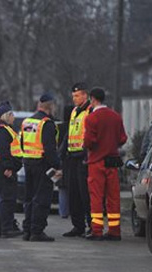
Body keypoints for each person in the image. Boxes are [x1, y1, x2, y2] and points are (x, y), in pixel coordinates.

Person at [83, 88, 128, 241]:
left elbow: (89, 141)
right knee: (113, 197)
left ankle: (97, 230)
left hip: (96, 162)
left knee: (96, 197)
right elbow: (123, 139)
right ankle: (115, 231)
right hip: (112, 162)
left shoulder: (91, 118)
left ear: (92, 99)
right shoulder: (116, 117)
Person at [20, 93, 61, 242]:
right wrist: (57, 165)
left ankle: (27, 230)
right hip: (42, 165)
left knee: (29, 198)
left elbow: (22, 143)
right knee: (42, 199)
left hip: (28, 162)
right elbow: (49, 149)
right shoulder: (47, 124)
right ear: (51, 106)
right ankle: (37, 231)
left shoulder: (27, 121)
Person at [0, 101, 23, 238]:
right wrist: (8, 167)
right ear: (6, 116)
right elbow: (3, 150)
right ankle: (6, 228)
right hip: (0, 164)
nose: (13, 117)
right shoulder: (2, 130)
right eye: (12, 114)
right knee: (5, 197)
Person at [59, 82, 93, 238]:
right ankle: (77, 226)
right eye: (73, 96)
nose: (74, 99)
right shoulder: (74, 112)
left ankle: (90, 224)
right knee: (73, 193)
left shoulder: (90, 111)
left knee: (84, 194)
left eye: (77, 96)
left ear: (85, 95)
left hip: (84, 158)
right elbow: (68, 134)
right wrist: (61, 153)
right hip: (72, 157)